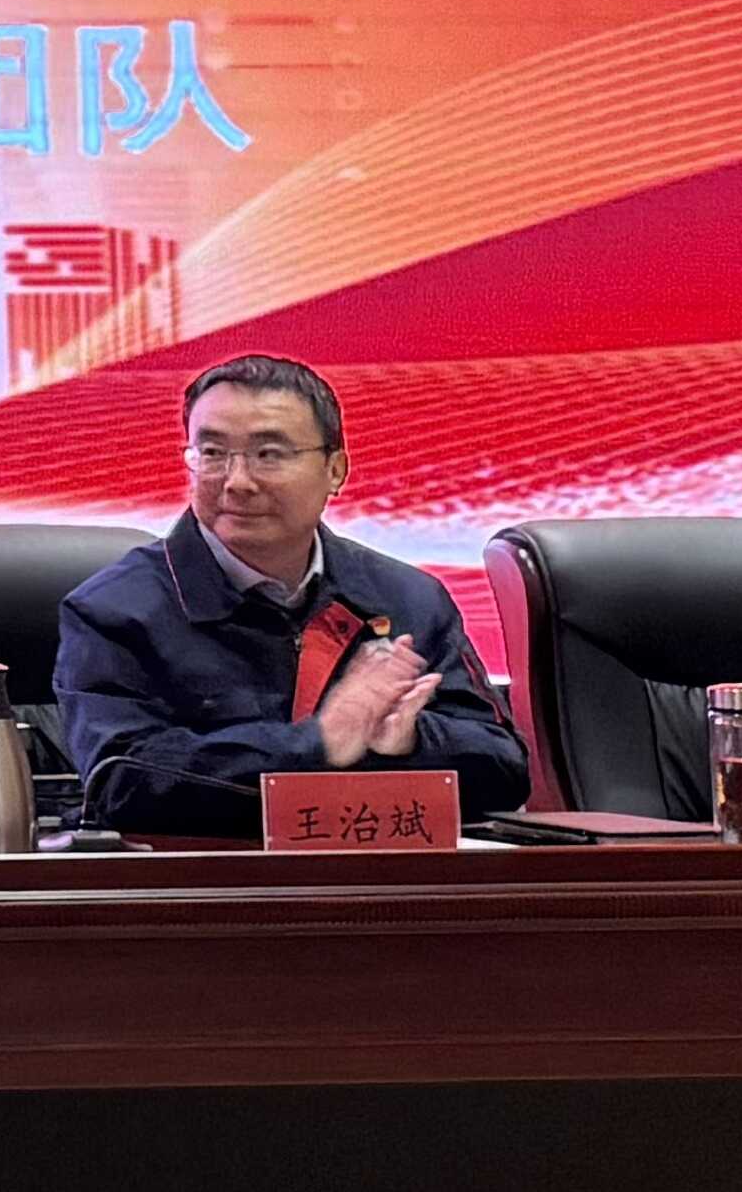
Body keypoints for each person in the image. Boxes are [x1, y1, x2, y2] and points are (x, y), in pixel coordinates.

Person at [52, 357, 526, 838]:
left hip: (379, 873)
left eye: (269, 455)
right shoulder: (114, 610)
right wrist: (319, 743)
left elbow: (505, 766)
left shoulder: (408, 599)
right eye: (212, 453)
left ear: (335, 470)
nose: (237, 482)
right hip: (198, 879)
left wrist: (407, 740)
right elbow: (119, 783)